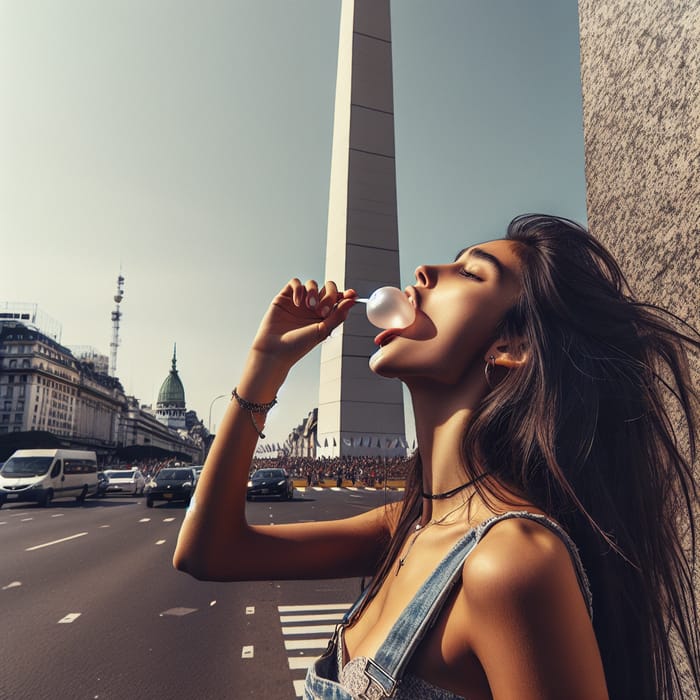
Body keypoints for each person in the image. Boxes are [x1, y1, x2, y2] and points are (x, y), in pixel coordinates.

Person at [174, 215, 700, 699]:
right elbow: (207, 552)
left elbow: (208, 553)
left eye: (470, 273)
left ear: (512, 346)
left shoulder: (510, 561)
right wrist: (265, 364)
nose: (424, 271)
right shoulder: (405, 528)